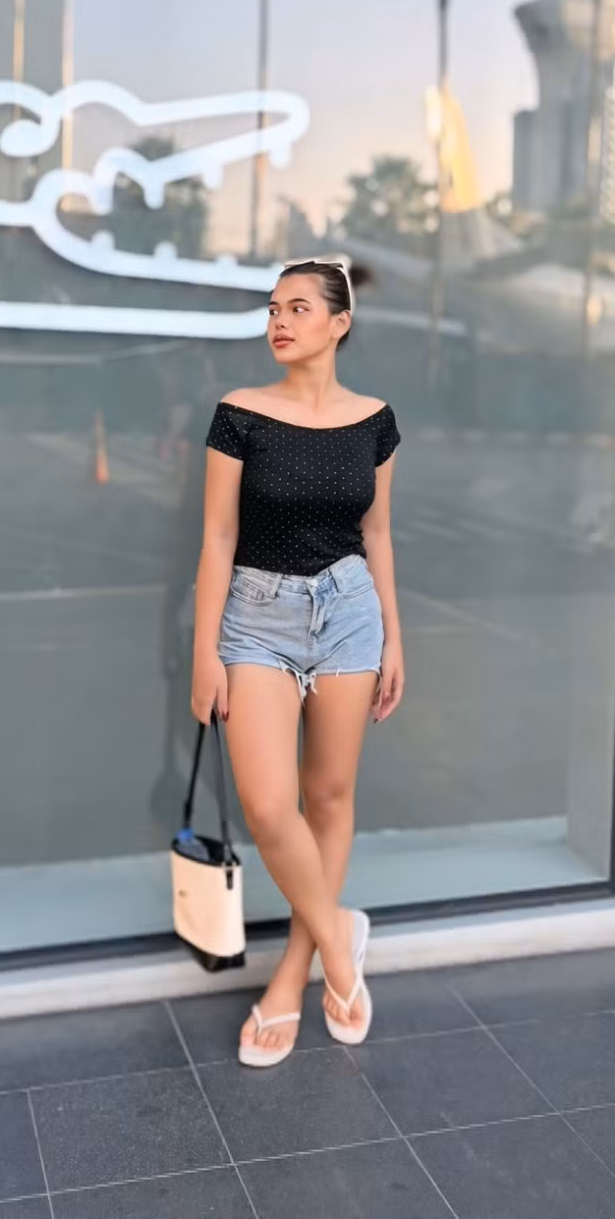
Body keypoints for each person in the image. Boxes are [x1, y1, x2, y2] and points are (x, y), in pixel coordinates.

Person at [191, 256, 404, 1068]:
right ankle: (341, 948)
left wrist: (394, 637)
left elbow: (378, 535)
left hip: (350, 613)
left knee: (330, 796)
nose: (278, 321)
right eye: (273, 308)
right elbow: (217, 537)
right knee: (272, 806)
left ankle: (292, 977)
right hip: (256, 619)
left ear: (340, 323)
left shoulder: (375, 421)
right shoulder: (239, 414)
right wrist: (205, 651)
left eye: (298, 308)